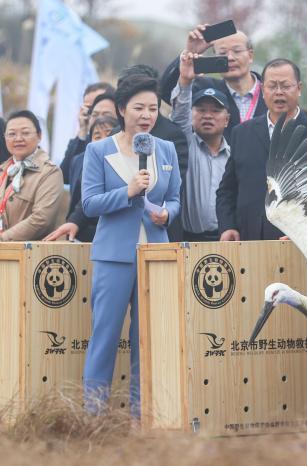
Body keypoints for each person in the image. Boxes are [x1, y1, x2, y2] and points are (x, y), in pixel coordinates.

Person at [81, 75, 181, 417]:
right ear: (122, 109)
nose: (146, 115)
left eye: (153, 108)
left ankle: (144, 417)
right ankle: (93, 416)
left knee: (148, 339)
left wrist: (167, 214)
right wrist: (128, 192)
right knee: (105, 337)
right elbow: (89, 204)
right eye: (139, 107)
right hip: (113, 256)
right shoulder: (97, 150)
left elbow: (176, 198)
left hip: (156, 256)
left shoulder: (165, 149)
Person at [216, 58, 307, 242]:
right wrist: (228, 226)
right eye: (272, 86)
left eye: (285, 86)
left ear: (299, 88)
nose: (278, 92)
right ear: (263, 90)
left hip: (303, 242)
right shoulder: (242, 133)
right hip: (250, 239)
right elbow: (227, 190)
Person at [119, 64, 189, 243]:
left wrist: (166, 212)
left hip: (160, 234)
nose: (145, 115)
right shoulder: (110, 140)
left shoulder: (171, 137)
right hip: (120, 238)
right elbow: (92, 197)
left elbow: (174, 192)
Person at [160, 26, 267, 136]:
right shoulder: (206, 89)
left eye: (237, 51)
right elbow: (166, 92)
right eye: (222, 53)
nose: (230, 57)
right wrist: (190, 52)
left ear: (250, 55)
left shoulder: (271, 91)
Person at [171, 50, 231, 242]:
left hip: (226, 241)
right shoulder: (186, 146)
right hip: (189, 240)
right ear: (192, 114)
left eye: (215, 111)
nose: (207, 115)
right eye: (201, 110)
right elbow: (179, 113)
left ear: (227, 119)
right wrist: (185, 81)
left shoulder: (234, 155)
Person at [45, 94, 119, 242]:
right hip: (78, 234)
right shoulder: (79, 159)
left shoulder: (123, 161)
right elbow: (66, 179)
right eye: (94, 114)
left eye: (106, 114)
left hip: (110, 235)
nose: (103, 140)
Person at [0, 110, 63, 241]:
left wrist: (3, 239)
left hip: (30, 254)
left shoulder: (50, 172)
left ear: (39, 135)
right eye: (11, 134)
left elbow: (41, 219)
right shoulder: (3, 170)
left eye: (25, 133)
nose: (18, 139)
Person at [61, 82, 115, 183]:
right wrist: (83, 130)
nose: (96, 112)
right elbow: (66, 177)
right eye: (91, 109)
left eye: (101, 103)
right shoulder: (84, 140)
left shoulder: (123, 144)